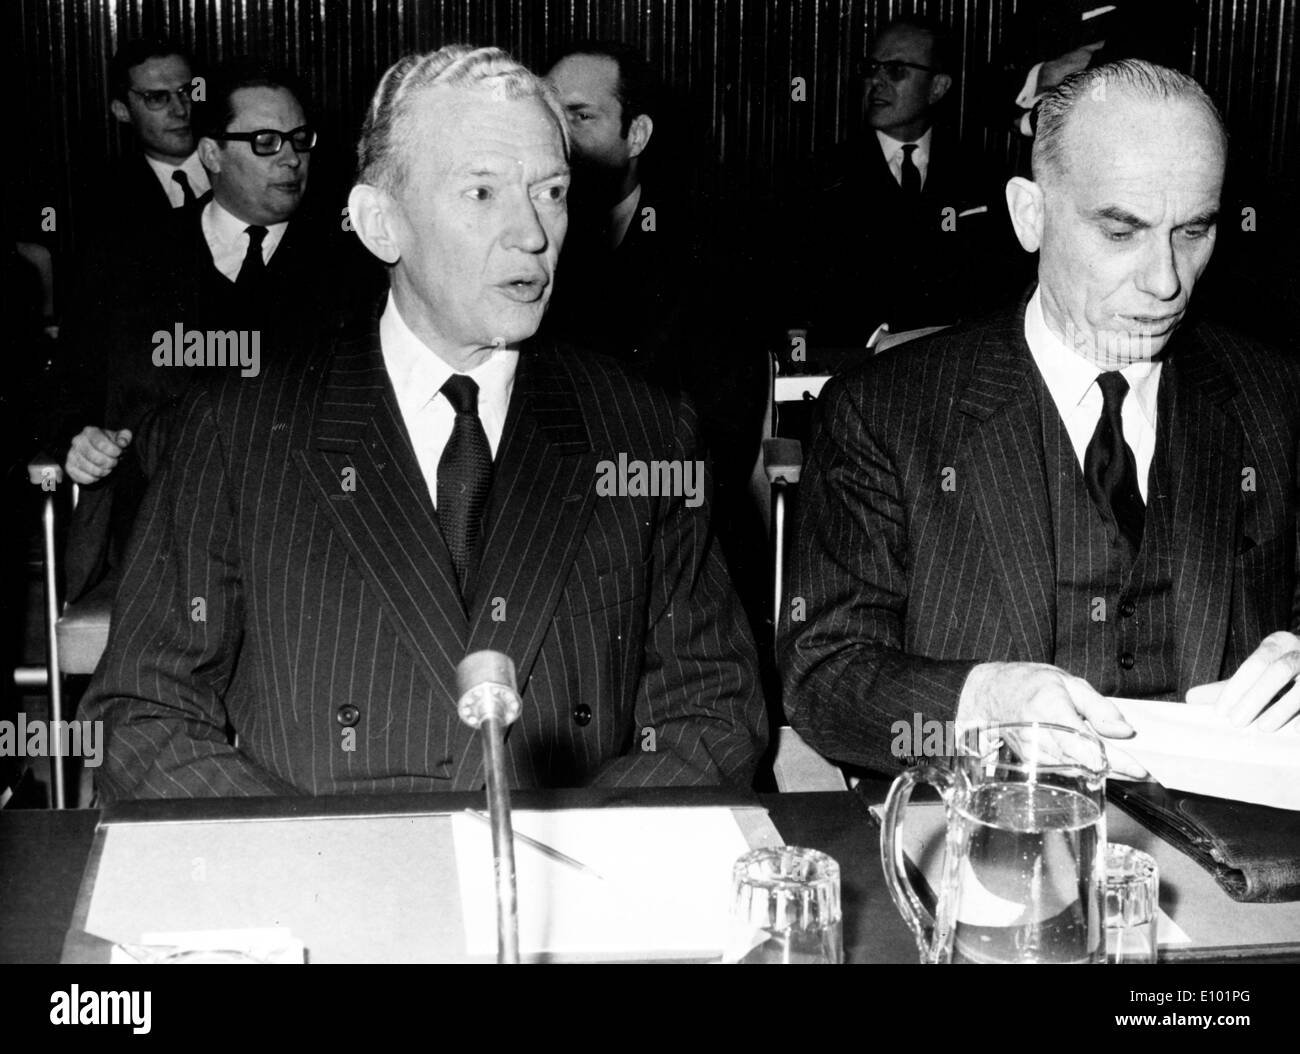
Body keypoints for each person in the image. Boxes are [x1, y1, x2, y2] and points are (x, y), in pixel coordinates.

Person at [80, 44, 767, 799]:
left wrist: (562, 861)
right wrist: (306, 864)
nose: (532, 234)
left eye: (552, 192)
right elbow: (144, 713)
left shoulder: (644, 432)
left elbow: (715, 713)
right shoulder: (236, 433)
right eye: (481, 193)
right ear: (381, 224)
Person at [780, 60, 1300, 775]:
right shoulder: (886, 411)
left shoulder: (1274, 397)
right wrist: (978, 700)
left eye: (1193, 231)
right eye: (1121, 231)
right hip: (983, 837)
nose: (1165, 280)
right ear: (1030, 214)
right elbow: (824, 673)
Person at [56, 63, 376, 603]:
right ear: (211, 155)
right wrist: (82, 440)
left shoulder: (351, 269)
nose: (291, 158)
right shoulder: (133, 262)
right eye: (266, 142)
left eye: (300, 140)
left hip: (305, 543)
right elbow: (72, 389)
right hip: (164, 543)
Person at [542, 40, 770, 665]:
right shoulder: (519, 245)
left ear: (636, 133)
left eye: (579, 117)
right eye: (547, 116)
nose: (557, 138)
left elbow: (721, 439)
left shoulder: (708, 256)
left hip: (669, 540)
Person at [787, 16, 1018, 345]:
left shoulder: (981, 171)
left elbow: (1000, 280)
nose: (875, 82)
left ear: (937, 87)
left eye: (895, 70)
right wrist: (875, 337)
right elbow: (797, 288)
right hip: (855, 366)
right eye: (870, 68)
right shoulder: (820, 176)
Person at [97, 39, 210, 222]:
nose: (180, 110)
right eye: (156, 98)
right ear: (122, 111)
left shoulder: (237, 168)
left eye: (187, 92)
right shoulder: (104, 194)